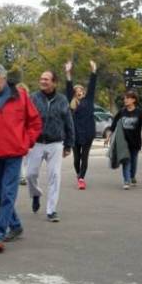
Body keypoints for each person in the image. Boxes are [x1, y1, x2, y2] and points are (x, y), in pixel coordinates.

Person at [0, 64, 42, 253]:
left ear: (4, 78)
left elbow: (35, 122)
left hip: (14, 153)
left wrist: (26, 141)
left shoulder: (21, 97)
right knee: (0, 192)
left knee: (8, 194)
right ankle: (16, 225)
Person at [27, 69, 75, 222]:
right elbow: (24, 120)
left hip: (55, 143)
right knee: (30, 175)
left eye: (46, 79)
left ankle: (51, 210)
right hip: (36, 143)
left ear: (54, 82)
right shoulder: (33, 98)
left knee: (54, 175)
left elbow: (69, 123)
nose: (42, 81)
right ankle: (35, 194)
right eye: (41, 78)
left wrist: (69, 145)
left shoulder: (62, 100)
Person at [65, 60, 98, 190]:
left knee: (84, 157)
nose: (79, 91)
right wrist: (68, 72)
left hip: (88, 133)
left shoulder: (88, 100)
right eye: (76, 90)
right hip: (75, 134)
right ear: (74, 93)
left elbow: (92, 85)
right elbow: (68, 87)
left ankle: (81, 178)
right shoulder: (71, 102)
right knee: (76, 159)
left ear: (84, 92)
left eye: (81, 90)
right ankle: (79, 175)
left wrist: (94, 71)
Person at [106, 90, 142, 189]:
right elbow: (113, 125)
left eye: (127, 98)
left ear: (133, 100)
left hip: (135, 142)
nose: (125, 100)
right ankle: (126, 181)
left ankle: (132, 176)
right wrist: (108, 136)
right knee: (126, 161)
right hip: (123, 142)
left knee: (133, 161)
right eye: (125, 98)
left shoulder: (139, 113)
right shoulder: (122, 112)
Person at [16, 83, 30, 186]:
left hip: (26, 134)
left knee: (26, 157)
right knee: (20, 157)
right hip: (16, 134)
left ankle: (23, 175)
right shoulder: (12, 103)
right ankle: (22, 176)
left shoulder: (30, 104)